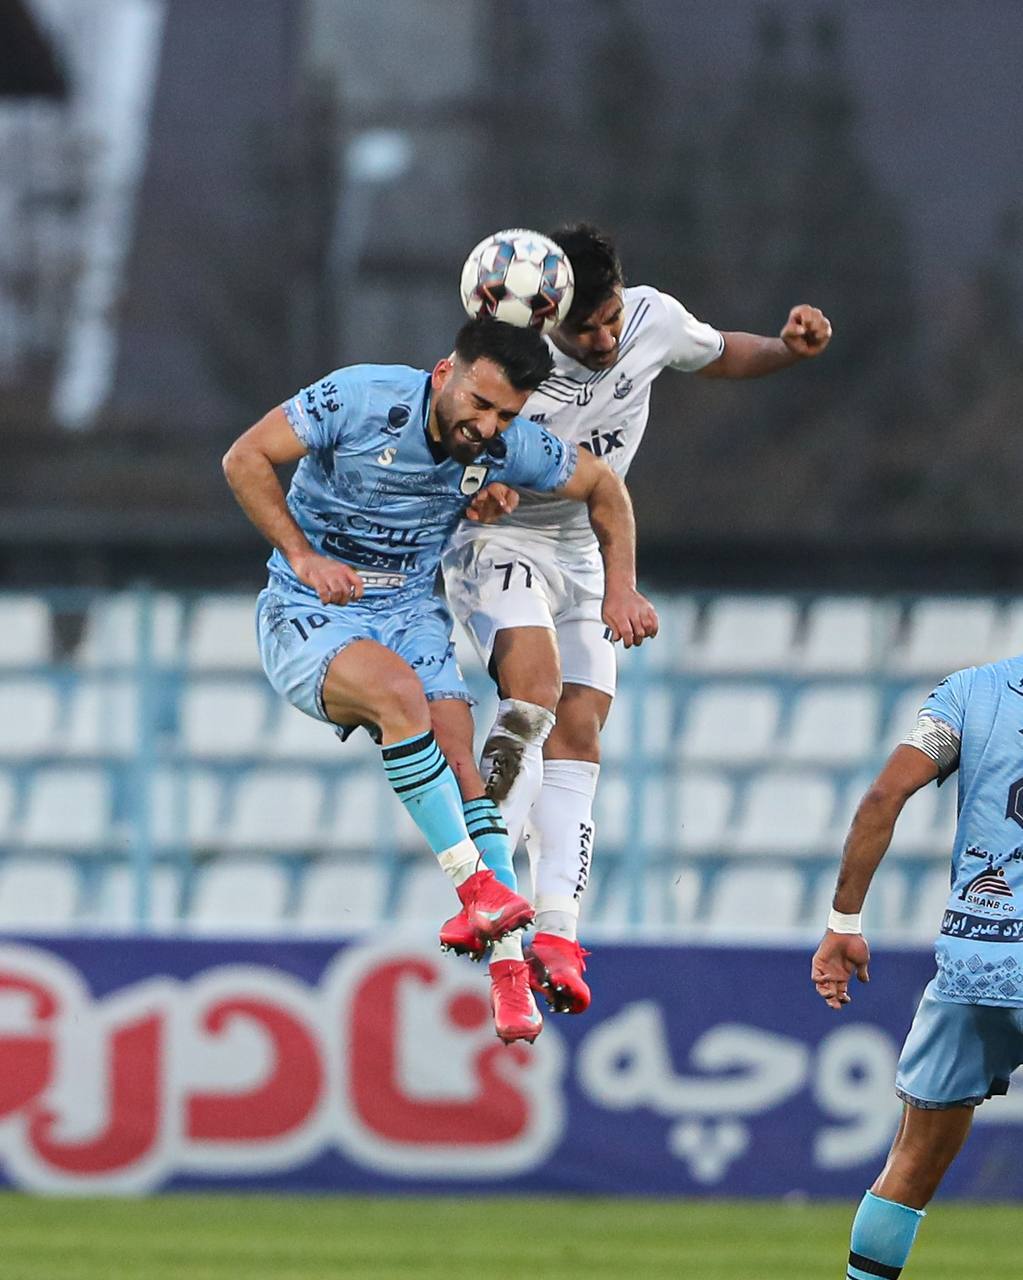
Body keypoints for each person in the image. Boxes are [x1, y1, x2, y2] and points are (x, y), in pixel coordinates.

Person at [222, 314, 657, 1046]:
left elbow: (603, 487)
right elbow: (244, 457)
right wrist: (302, 556)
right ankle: (478, 889)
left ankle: (509, 977)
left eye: (505, 415)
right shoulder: (358, 399)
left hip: (408, 613)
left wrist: (621, 586)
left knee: (467, 769)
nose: (487, 427)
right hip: (310, 609)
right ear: (444, 374)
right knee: (400, 697)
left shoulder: (506, 447)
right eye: (479, 404)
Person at [441, 223, 832, 1013]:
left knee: (580, 729)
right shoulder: (505, 362)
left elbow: (720, 353)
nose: (603, 338)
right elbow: (443, 435)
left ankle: (557, 931)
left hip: (588, 544)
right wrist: (475, 482)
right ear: (547, 316)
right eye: (584, 328)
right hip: (499, 543)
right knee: (534, 693)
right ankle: (488, 892)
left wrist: (786, 349)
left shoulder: (652, 318)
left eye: (610, 318)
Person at [811, 657, 1023, 1280]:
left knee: (911, 1162)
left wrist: (843, 924)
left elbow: (885, 794)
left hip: (978, 961)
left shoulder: (971, 693)